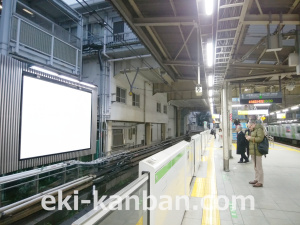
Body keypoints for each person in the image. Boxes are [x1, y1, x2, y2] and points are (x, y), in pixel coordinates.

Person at [246, 120, 265, 187]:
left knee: (259, 167)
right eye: (249, 127)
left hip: (257, 151)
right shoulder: (254, 130)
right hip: (253, 151)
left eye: (250, 127)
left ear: (253, 124)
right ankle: (256, 179)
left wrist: (250, 138)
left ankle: (260, 181)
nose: (250, 128)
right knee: (255, 166)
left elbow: (260, 139)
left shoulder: (259, 129)